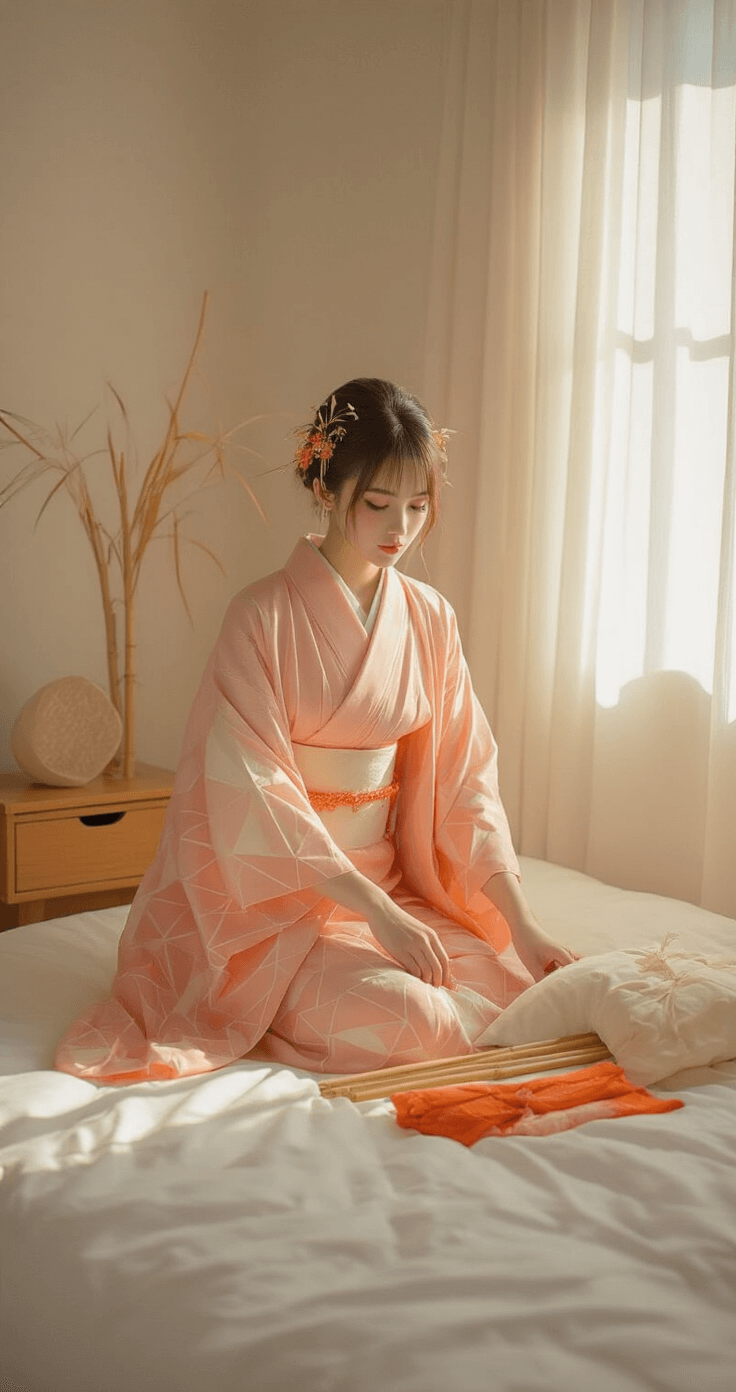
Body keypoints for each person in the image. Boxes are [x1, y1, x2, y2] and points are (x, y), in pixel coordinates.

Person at [55, 378, 575, 1084]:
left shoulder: (430, 619)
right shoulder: (259, 617)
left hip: (396, 894)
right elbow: (254, 790)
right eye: (378, 503)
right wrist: (371, 909)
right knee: (418, 1021)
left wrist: (521, 924)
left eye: (418, 507)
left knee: (524, 993)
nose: (401, 528)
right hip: (282, 911)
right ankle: (269, 999)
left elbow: (464, 784)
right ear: (328, 489)